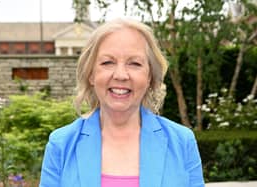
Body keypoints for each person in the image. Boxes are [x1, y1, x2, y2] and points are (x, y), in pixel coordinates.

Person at [39, 19, 204, 187]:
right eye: (107, 62)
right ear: (91, 74)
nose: (121, 75)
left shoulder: (182, 142)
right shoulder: (61, 144)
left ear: (149, 77)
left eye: (134, 63)